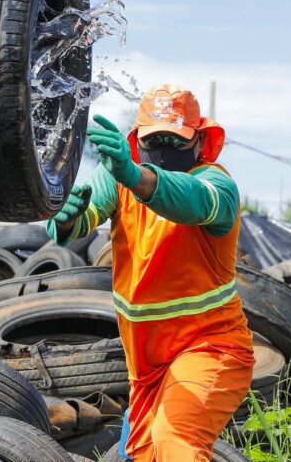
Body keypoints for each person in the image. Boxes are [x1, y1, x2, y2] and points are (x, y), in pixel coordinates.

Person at [46, 84, 255, 461]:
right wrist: (65, 222)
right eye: (153, 139)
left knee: (176, 442)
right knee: (142, 454)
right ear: (137, 139)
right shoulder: (117, 180)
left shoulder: (216, 184)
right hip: (146, 367)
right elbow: (85, 215)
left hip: (210, 347)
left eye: (174, 141)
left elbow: (190, 201)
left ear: (198, 141)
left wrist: (135, 175)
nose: (162, 149)